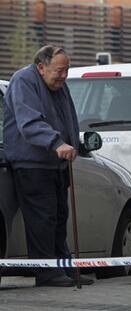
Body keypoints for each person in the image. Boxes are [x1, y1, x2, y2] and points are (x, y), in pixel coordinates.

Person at [3, 45, 94, 287]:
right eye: (59, 70)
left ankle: (63, 267)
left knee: (58, 218)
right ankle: (47, 272)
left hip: (56, 164)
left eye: (67, 70)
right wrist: (56, 142)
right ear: (41, 67)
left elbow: (68, 117)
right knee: (42, 219)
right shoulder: (23, 81)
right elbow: (29, 121)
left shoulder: (57, 85)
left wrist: (73, 143)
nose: (64, 75)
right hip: (32, 164)